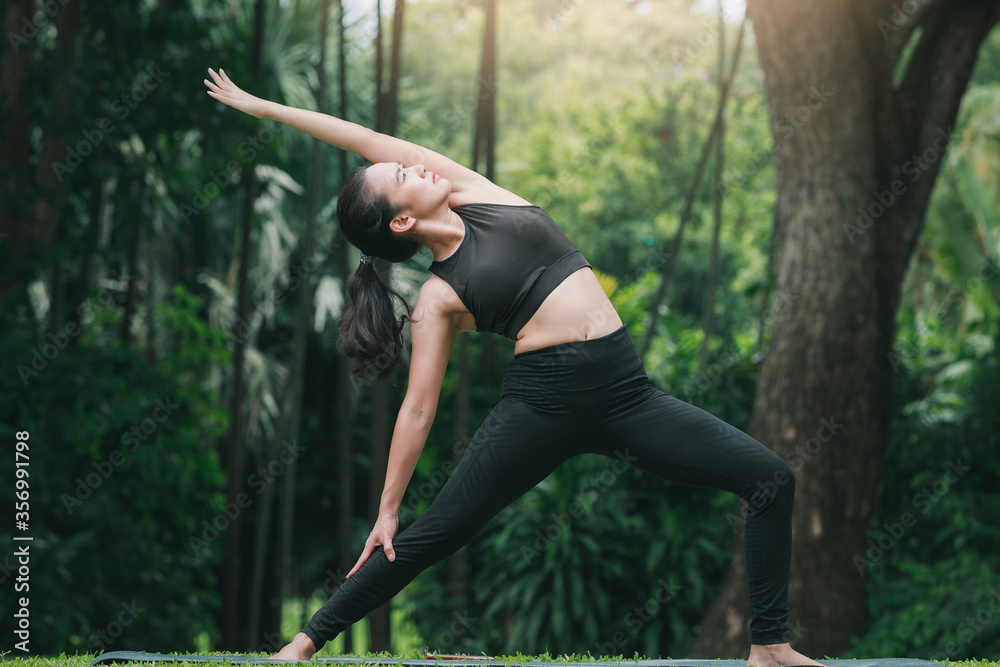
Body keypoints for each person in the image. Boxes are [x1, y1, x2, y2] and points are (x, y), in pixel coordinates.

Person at [204, 67, 822, 667]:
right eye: (400, 174)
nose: (414, 160)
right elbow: (418, 407)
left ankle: (768, 647)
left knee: (770, 478)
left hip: (625, 393)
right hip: (543, 404)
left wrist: (268, 109)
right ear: (401, 222)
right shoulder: (436, 298)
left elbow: (365, 138)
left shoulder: (476, 194)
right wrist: (388, 507)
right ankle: (303, 644)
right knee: (434, 532)